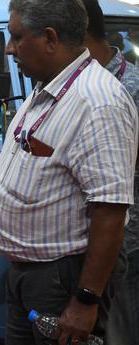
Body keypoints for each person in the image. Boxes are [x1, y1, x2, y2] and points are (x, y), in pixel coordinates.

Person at [0, 1, 138, 344]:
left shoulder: (96, 101)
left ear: (49, 38)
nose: (10, 48)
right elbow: (12, 170)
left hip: (61, 278)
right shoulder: (47, 92)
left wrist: (85, 300)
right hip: (29, 274)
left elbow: (110, 208)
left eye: (17, 36)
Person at [82, 1, 139, 344]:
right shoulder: (69, 83)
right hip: (82, 242)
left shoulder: (130, 88)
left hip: (127, 241)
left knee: (123, 331)